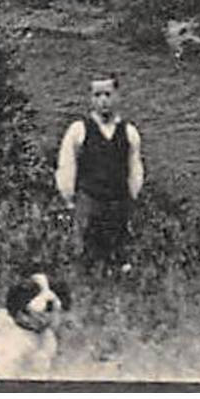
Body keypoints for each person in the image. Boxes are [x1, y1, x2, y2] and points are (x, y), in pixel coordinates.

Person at [56, 76, 144, 270]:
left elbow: (134, 167)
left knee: (119, 251)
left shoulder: (129, 132)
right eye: (97, 95)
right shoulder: (79, 130)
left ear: (117, 97)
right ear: (90, 99)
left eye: (108, 94)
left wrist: (132, 197)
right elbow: (67, 165)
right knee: (86, 252)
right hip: (90, 200)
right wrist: (70, 198)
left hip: (118, 201)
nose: (103, 100)